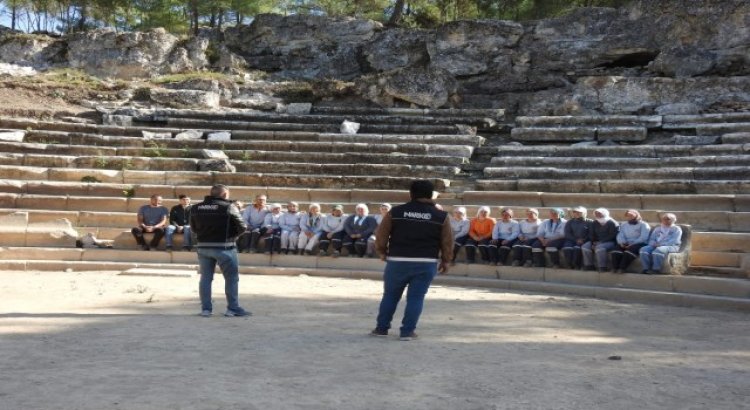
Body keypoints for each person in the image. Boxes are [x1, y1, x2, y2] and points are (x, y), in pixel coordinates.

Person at [371, 179, 453, 341]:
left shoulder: (395, 212)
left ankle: (381, 329)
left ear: (411, 194)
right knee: (416, 298)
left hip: (397, 260)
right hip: (426, 262)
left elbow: (381, 235)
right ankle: (407, 331)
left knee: (390, 296)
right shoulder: (441, 216)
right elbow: (447, 241)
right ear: (431, 195)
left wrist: (382, 252)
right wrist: (446, 260)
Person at [189, 184, 250, 317]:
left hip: (203, 246)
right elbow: (243, 226)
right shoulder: (229, 206)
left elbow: (193, 228)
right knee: (231, 278)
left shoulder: (195, 207)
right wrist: (233, 236)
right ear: (224, 194)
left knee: (205, 278)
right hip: (225, 246)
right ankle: (232, 309)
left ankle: (206, 310)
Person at [582, 208, 619, 272]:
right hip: (596, 241)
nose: (597, 215)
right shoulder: (595, 222)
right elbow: (592, 234)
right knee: (585, 247)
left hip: (610, 242)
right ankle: (589, 265)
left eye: (599, 213)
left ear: (605, 213)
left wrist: (601, 242)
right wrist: (593, 242)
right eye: (596, 213)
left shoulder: (612, 222)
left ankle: (602, 266)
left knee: (599, 248)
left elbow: (613, 235)